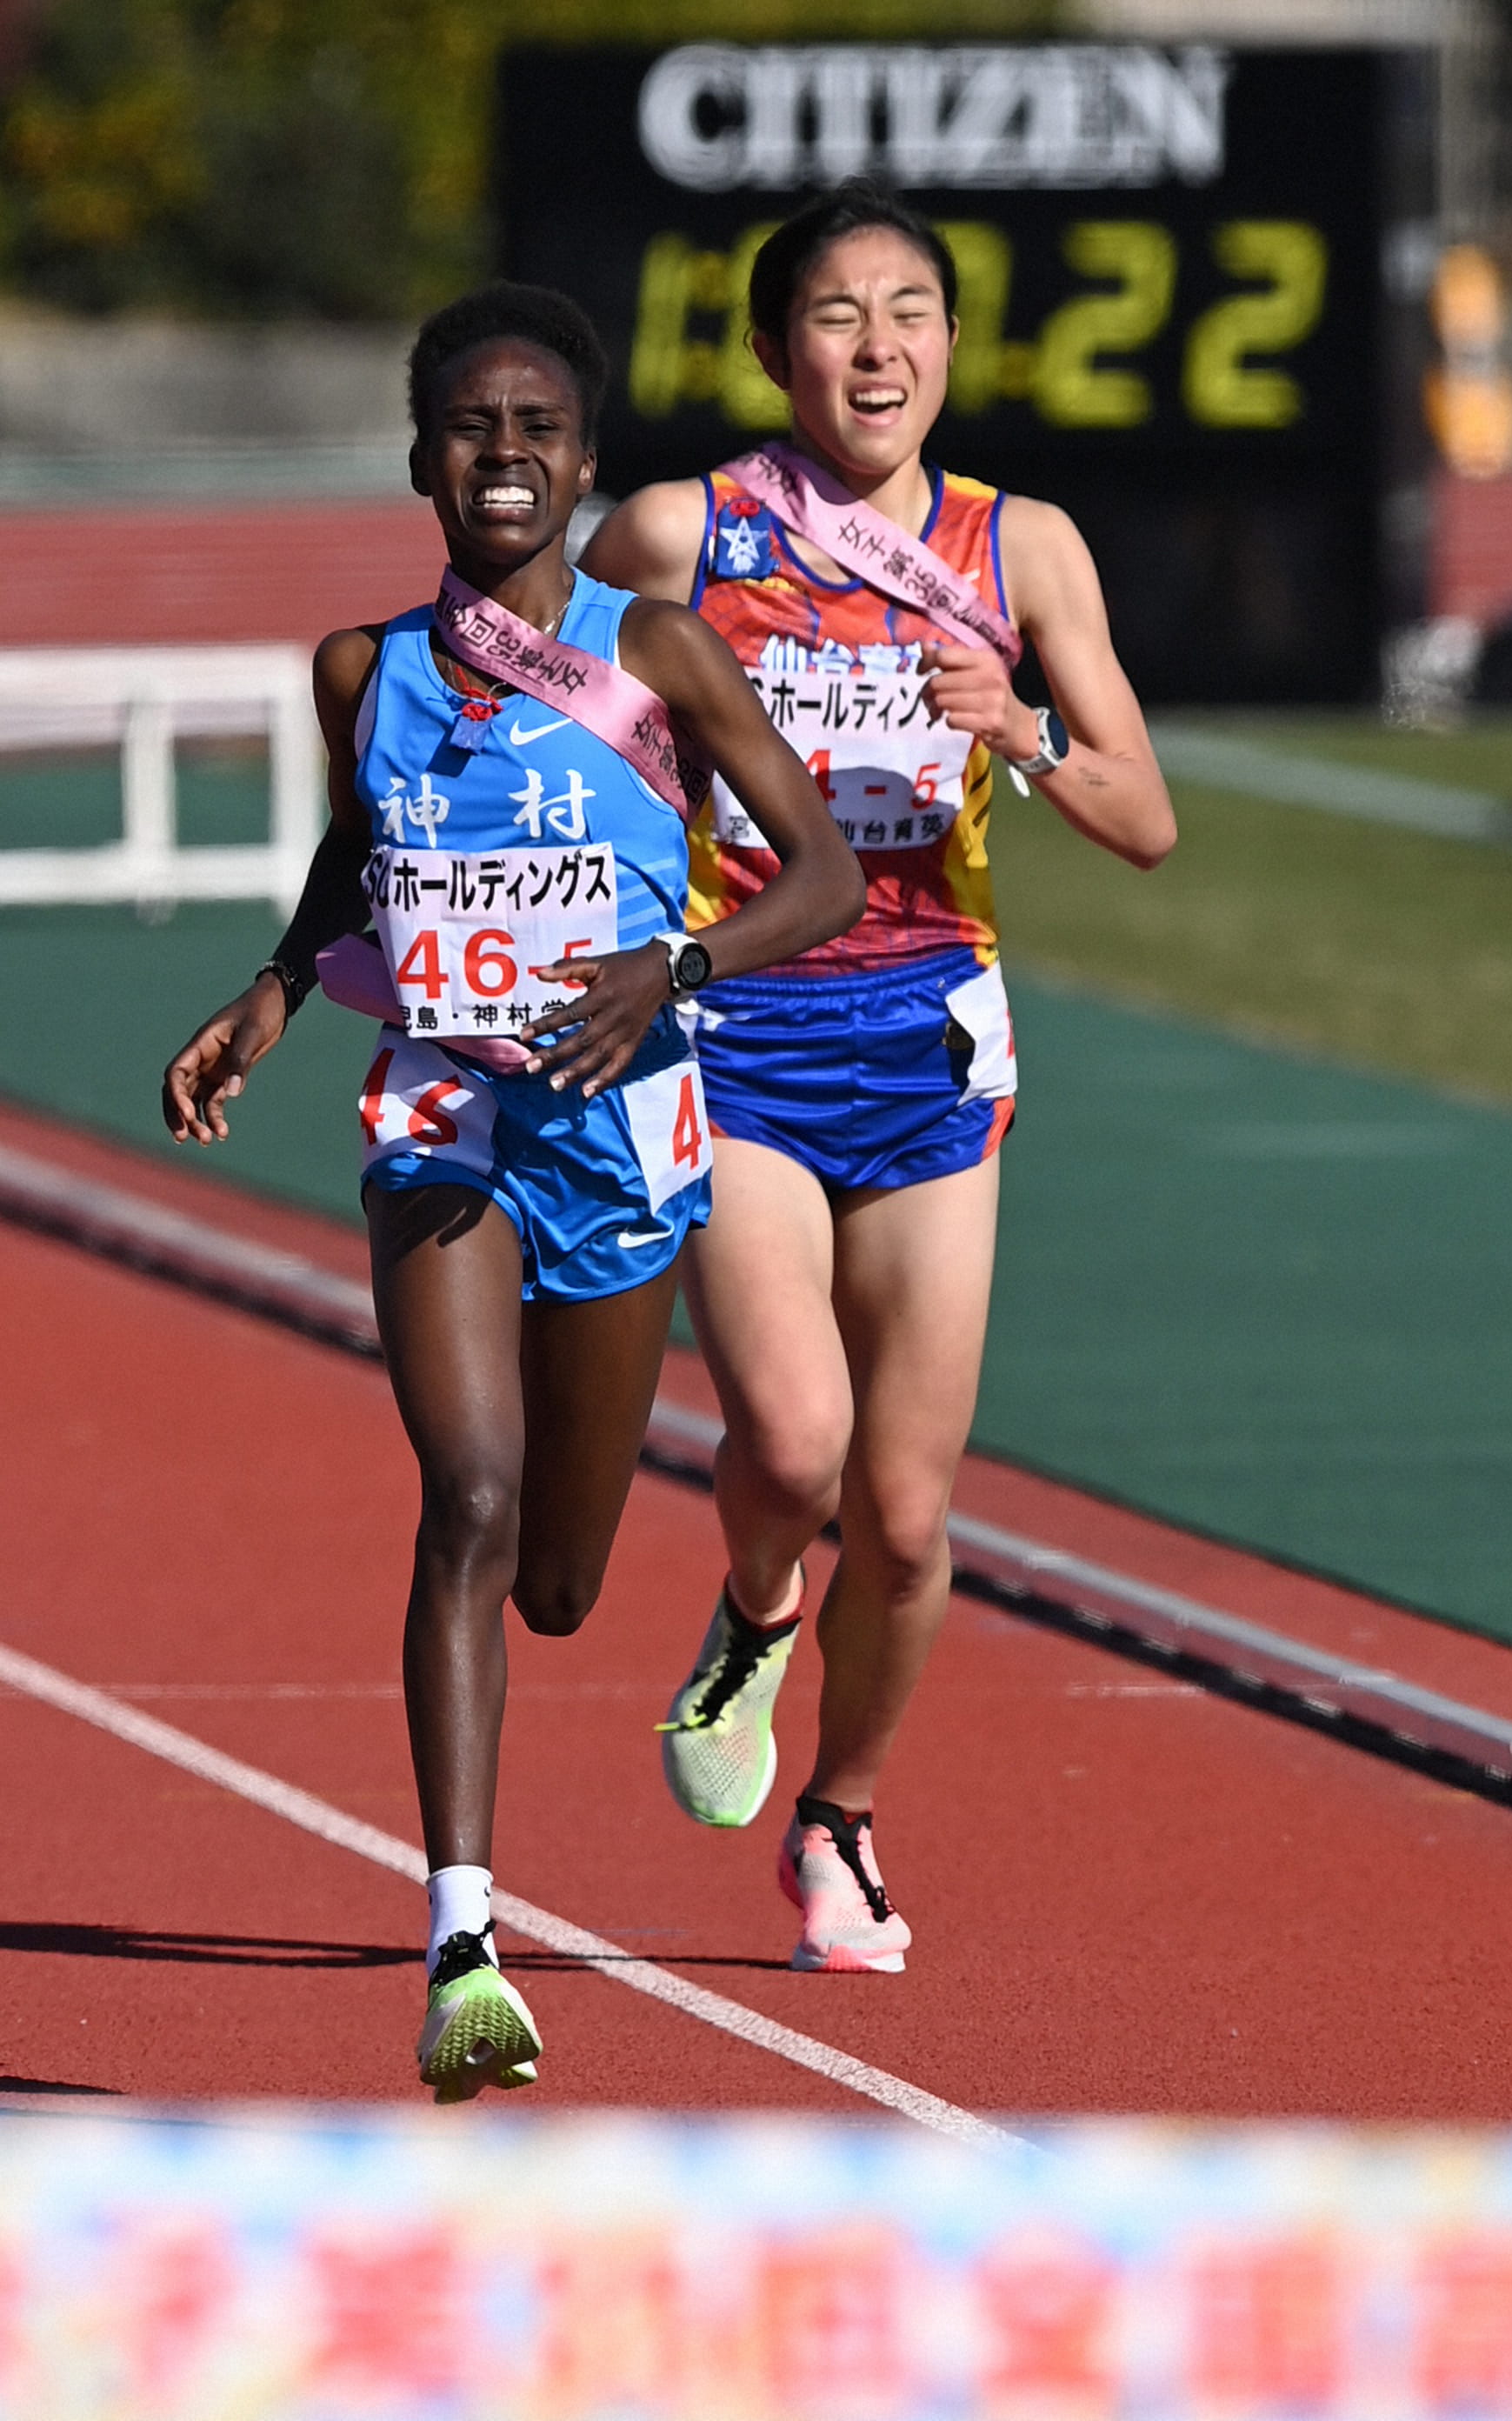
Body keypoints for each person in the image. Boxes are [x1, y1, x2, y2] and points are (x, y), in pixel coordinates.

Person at [161, 283, 863, 2098]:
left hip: (620, 1136)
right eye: (472, 425)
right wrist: (276, 984)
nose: (503, 452)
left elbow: (822, 880)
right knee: (465, 1498)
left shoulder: (664, 658)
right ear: (421, 460)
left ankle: (752, 1614)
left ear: (580, 465)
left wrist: (674, 972)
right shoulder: (361, 669)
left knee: (556, 1581)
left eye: (536, 426)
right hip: (444, 1126)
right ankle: (461, 1940)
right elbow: (362, 852)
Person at [583, 181, 1176, 1975]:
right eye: (838, 314)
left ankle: (839, 1819)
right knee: (793, 1440)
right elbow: (532, 714)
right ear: (774, 352)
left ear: (945, 346)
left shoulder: (1027, 549)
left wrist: (1020, 729)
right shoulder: (682, 533)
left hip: (927, 1036)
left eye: (909, 309)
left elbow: (1144, 819)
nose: (878, 346)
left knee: (910, 1520)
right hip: (736, 1028)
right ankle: (756, 1607)